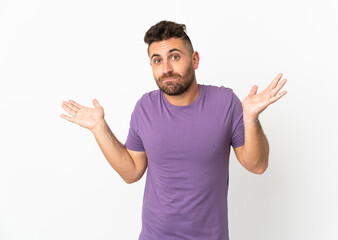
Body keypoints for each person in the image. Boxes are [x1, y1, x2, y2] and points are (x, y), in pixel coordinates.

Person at [60, 20, 287, 240]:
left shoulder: (225, 102)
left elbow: (257, 166)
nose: (166, 69)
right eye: (157, 60)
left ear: (195, 59)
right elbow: (131, 172)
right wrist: (99, 128)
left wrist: (250, 118)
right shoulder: (145, 107)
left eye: (175, 57)